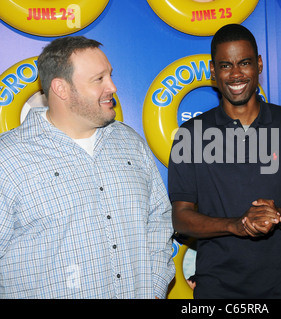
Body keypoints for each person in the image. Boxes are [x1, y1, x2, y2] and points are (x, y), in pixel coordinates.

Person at [0, 36, 175, 298]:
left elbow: (159, 221)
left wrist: (154, 287)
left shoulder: (131, 144)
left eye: (110, 76)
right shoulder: (9, 158)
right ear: (61, 89)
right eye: (99, 79)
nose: (113, 87)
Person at [168, 24, 281, 298]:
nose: (236, 74)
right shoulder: (190, 134)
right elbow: (181, 218)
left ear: (259, 64)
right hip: (217, 290)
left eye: (245, 63)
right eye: (226, 65)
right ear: (213, 71)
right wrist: (235, 225)